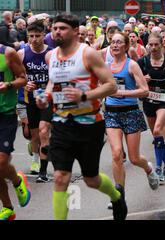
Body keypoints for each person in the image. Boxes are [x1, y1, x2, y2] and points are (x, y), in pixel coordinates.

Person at [35, 13, 127, 220]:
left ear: (76, 31)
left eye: (63, 28)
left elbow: (111, 86)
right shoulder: (51, 56)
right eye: (55, 28)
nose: (57, 31)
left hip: (89, 124)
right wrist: (45, 96)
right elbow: (53, 83)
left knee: (91, 179)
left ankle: (115, 195)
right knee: (60, 177)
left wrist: (83, 95)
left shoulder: (88, 54)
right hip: (61, 124)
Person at [104, 32, 159, 207]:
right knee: (116, 153)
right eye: (112, 42)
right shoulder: (105, 66)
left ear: (126, 46)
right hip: (111, 113)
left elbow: (144, 90)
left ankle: (149, 169)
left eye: (119, 42)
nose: (115, 45)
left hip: (131, 112)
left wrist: (122, 93)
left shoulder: (132, 65)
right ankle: (119, 195)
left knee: (134, 158)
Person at [138, 33, 165, 181]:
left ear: (162, 45)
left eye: (156, 45)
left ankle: (159, 167)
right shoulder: (142, 62)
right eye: (151, 45)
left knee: (157, 129)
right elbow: (135, 81)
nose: (153, 48)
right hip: (149, 101)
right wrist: (142, 79)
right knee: (156, 135)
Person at [18, 22, 52, 182]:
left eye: (37, 36)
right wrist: (25, 83)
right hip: (30, 99)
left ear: (43, 35)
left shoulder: (52, 53)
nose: (34, 39)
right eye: (31, 36)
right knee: (34, 135)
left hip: (49, 98)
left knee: (44, 131)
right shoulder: (22, 54)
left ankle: (43, 173)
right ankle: (36, 159)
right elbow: (18, 76)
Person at [0, 42, 30, 221]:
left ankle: (17, 181)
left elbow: (23, 78)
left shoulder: (8, 53)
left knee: (1, 163)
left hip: (5, 116)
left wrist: (9, 85)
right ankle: (8, 208)